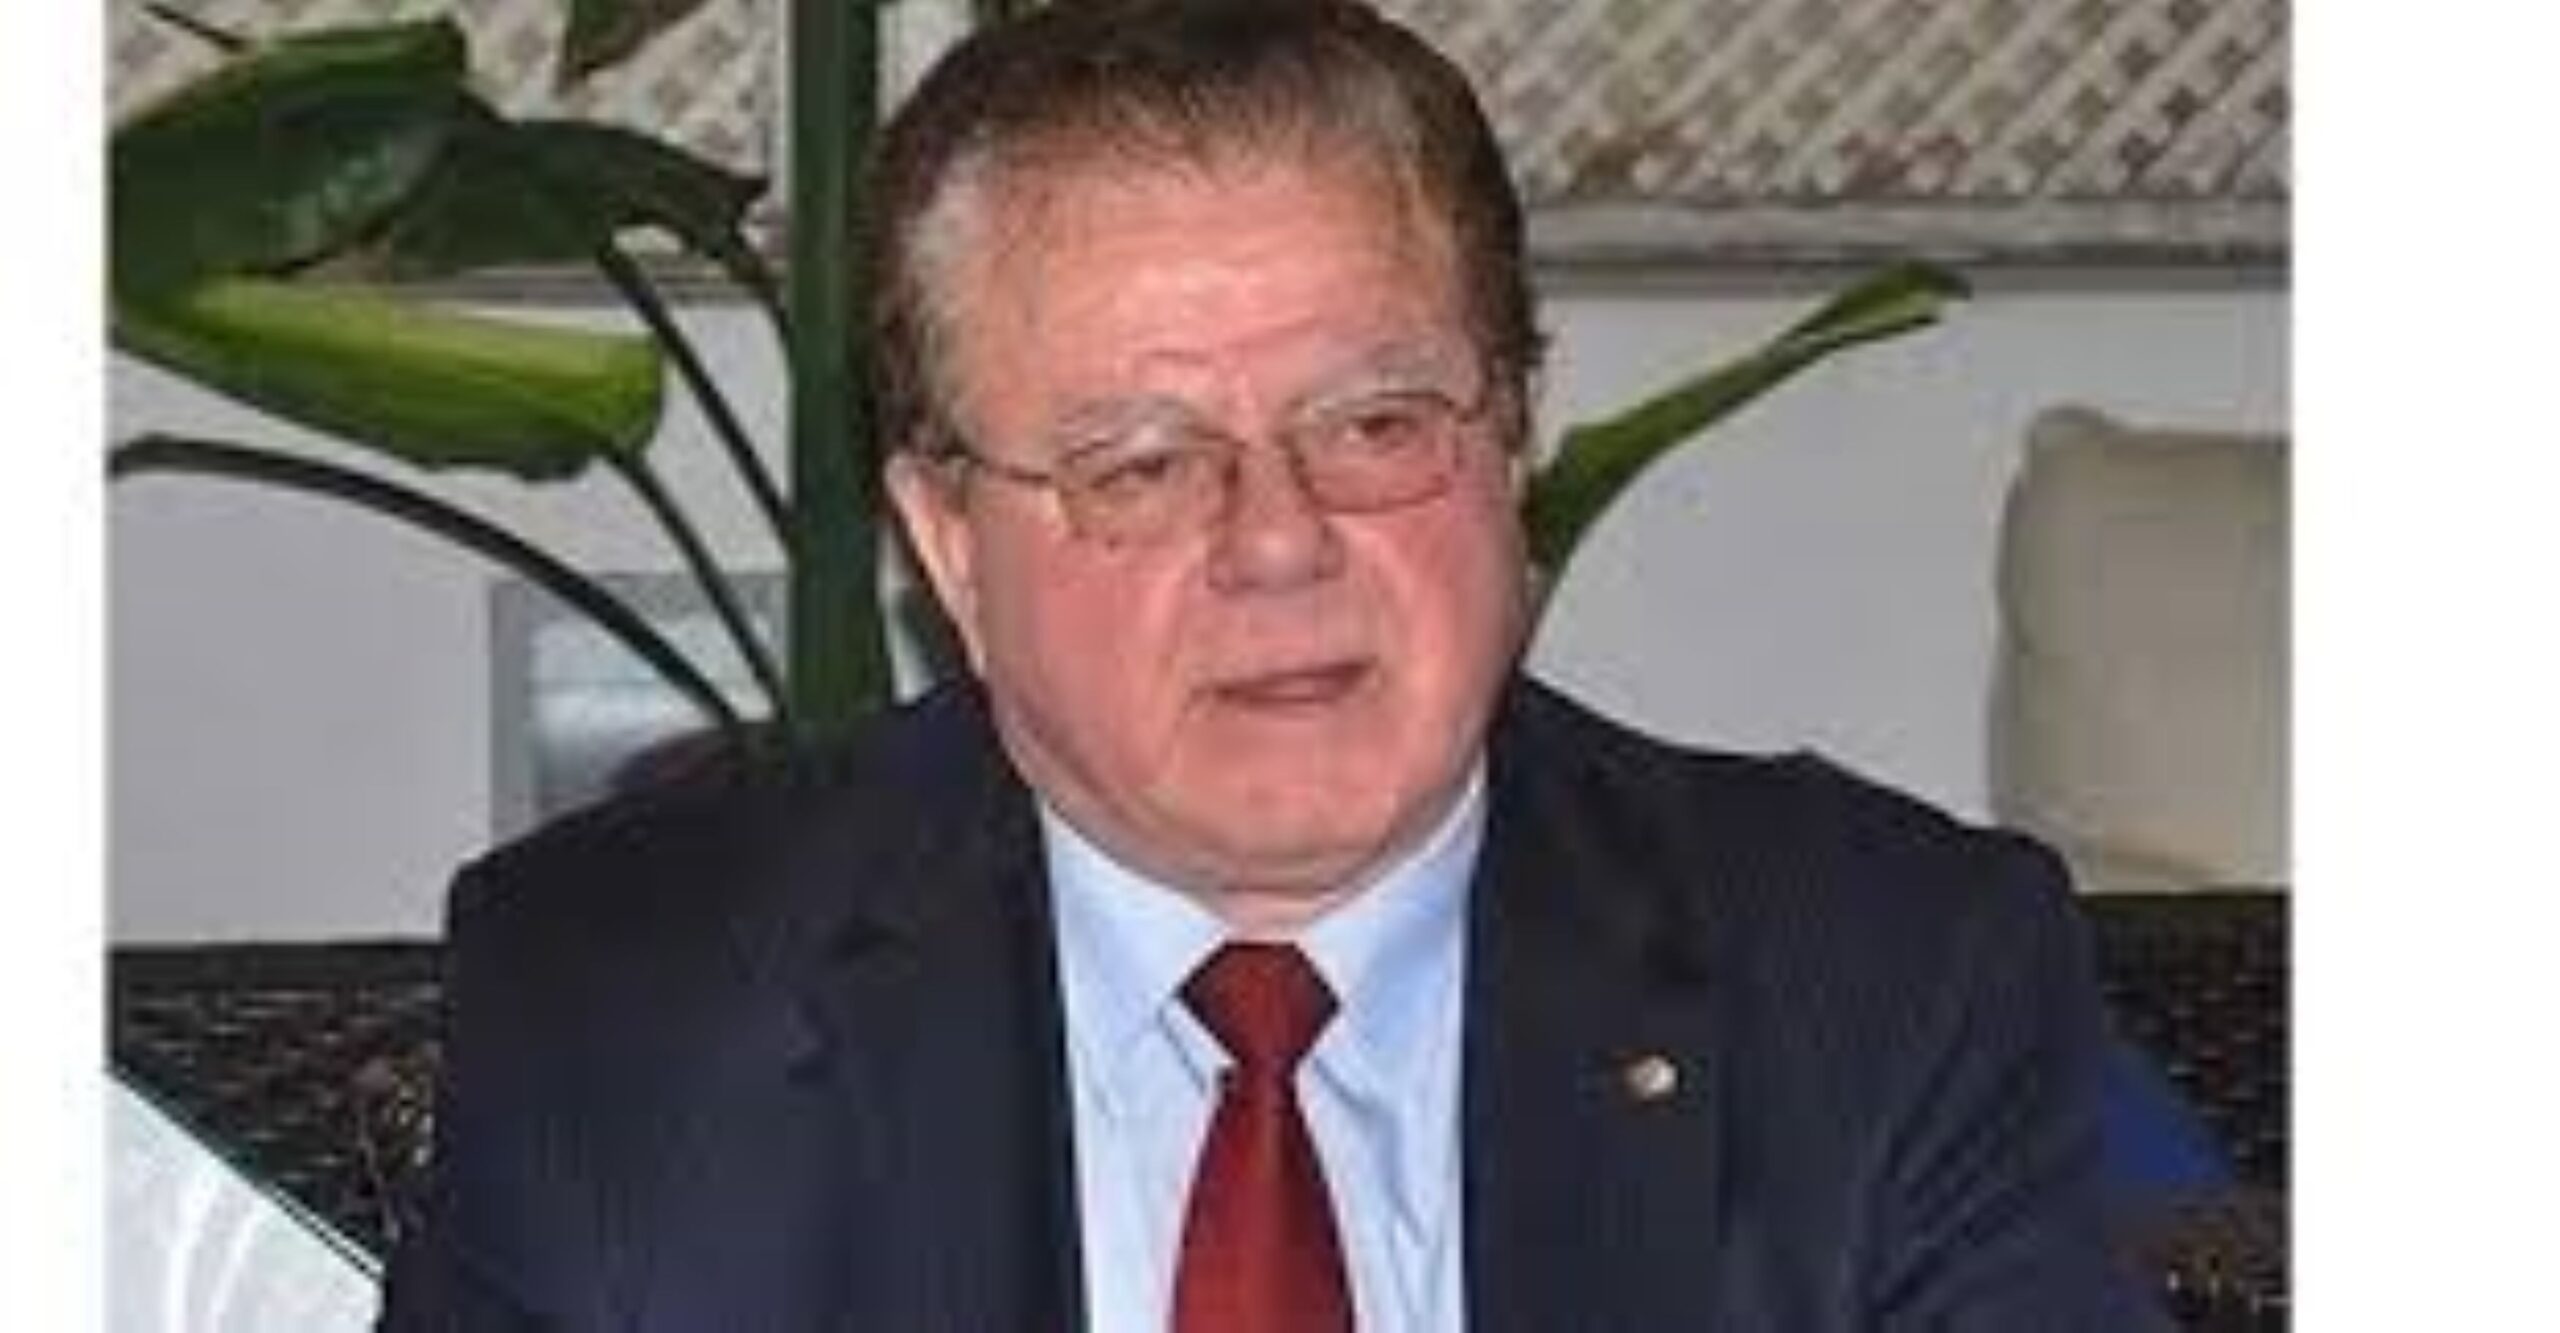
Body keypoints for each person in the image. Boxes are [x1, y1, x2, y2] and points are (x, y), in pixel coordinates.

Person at [379, 1, 2164, 1328]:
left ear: (1511, 437)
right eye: (1143, 464)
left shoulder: (1885, 978)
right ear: (949, 542)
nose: (1279, 539)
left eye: (1375, 424)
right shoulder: (634, 1013)